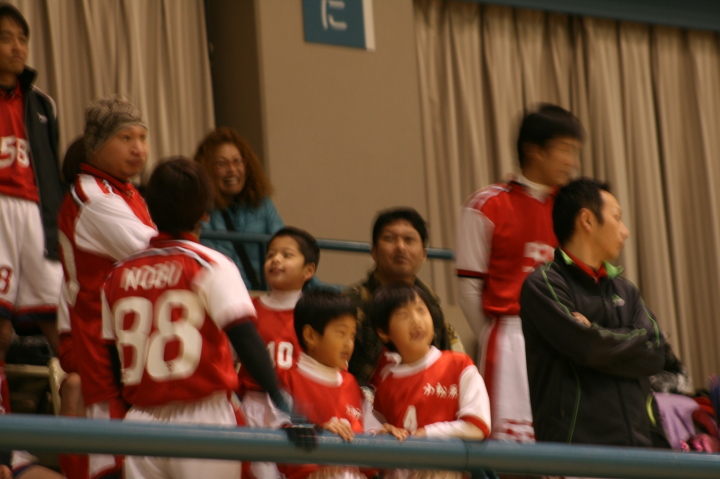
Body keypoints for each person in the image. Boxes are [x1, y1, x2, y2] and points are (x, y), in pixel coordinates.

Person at [101, 157, 293, 479]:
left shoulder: (116, 275)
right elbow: (246, 338)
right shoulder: (212, 264)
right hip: (205, 419)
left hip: (140, 422)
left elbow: (111, 357)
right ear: (205, 212)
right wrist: (284, 403)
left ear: (150, 209)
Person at [455, 104, 584, 442]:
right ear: (534, 150)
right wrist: (496, 336)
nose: (572, 161)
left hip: (564, 339)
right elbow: (469, 290)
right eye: (565, 150)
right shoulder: (486, 205)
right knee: (510, 447)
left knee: (563, 444)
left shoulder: (574, 212)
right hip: (509, 338)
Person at [520, 178, 665, 446]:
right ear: (587, 220)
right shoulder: (544, 284)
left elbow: (657, 352)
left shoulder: (626, 290)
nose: (625, 231)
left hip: (640, 445)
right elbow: (585, 347)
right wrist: (631, 339)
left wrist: (595, 336)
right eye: (617, 218)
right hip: (576, 449)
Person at [57, 95, 157, 479]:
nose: (138, 148)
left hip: (124, 338)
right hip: (99, 341)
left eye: (142, 137)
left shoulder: (124, 191)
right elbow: (158, 255)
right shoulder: (94, 198)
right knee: (114, 463)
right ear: (96, 146)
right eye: (125, 138)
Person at [0, 1, 65, 400]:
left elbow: (52, 171)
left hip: (37, 216)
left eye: (22, 39)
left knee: (58, 317)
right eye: (6, 38)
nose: (17, 47)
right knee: (1, 327)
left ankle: (85, 403)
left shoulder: (42, 104)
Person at [371, 284, 491, 479]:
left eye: (421, 310)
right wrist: (384, 433)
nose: (416, 321)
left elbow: (477, 426)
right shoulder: (386, 381)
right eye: (404, 315)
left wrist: (426, 434)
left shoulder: (458, 364)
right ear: (384, 332)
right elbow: (376, 434)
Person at [345, 207, 463, 389]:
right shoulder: (352, 302)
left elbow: (445, 365)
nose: (400, 247)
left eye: (409, 240)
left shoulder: (430, 305)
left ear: (423, 254)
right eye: (390, 239)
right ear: (374, 252)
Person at [274, 290, 382, 479]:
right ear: (310, 335)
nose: (349, 343)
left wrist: (384, 432)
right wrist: (320, 432)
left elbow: (371, 437)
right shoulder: (288, 380)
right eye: (341, 333)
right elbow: (277, 438)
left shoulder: (352, 384)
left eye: (352, 335)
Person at [237, 226, 318, 479]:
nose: (275, 260)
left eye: (286, 254)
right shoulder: (247, 309)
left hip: (299, 407)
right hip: (255, 404)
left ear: (309, 270)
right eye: (271, 254)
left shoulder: (316, 314)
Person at [194, 127, 282, 291]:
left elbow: (286, 249)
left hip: (257, 297)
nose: (232, 170)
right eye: (222, 163)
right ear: (206, 168)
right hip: (218, 298)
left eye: (237, 161)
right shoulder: (198, 210)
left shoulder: (262, 204)